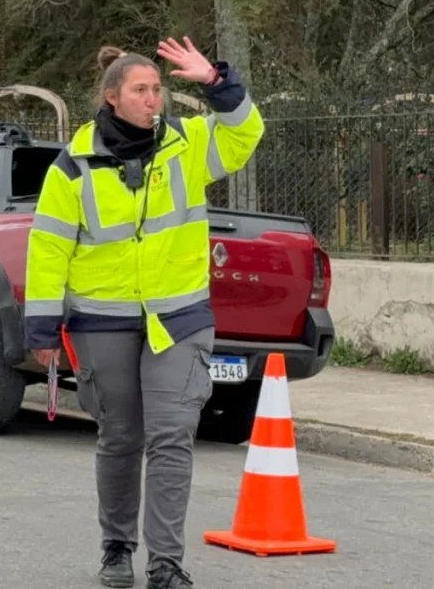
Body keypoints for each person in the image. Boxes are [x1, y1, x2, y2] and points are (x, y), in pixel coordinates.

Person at [24, 37, 264, 589]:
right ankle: (116, 546)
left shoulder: (187, 143)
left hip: (178, 316)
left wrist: (215, 82)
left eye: (157, 89)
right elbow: (49, 247)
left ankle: (165, 563)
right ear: (113, 98)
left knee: (174, 434)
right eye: (141, 90)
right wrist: (41, 325)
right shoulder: (73, 166)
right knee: (121, 437)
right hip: (102, 320)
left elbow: (247, 133)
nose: (154, 99)